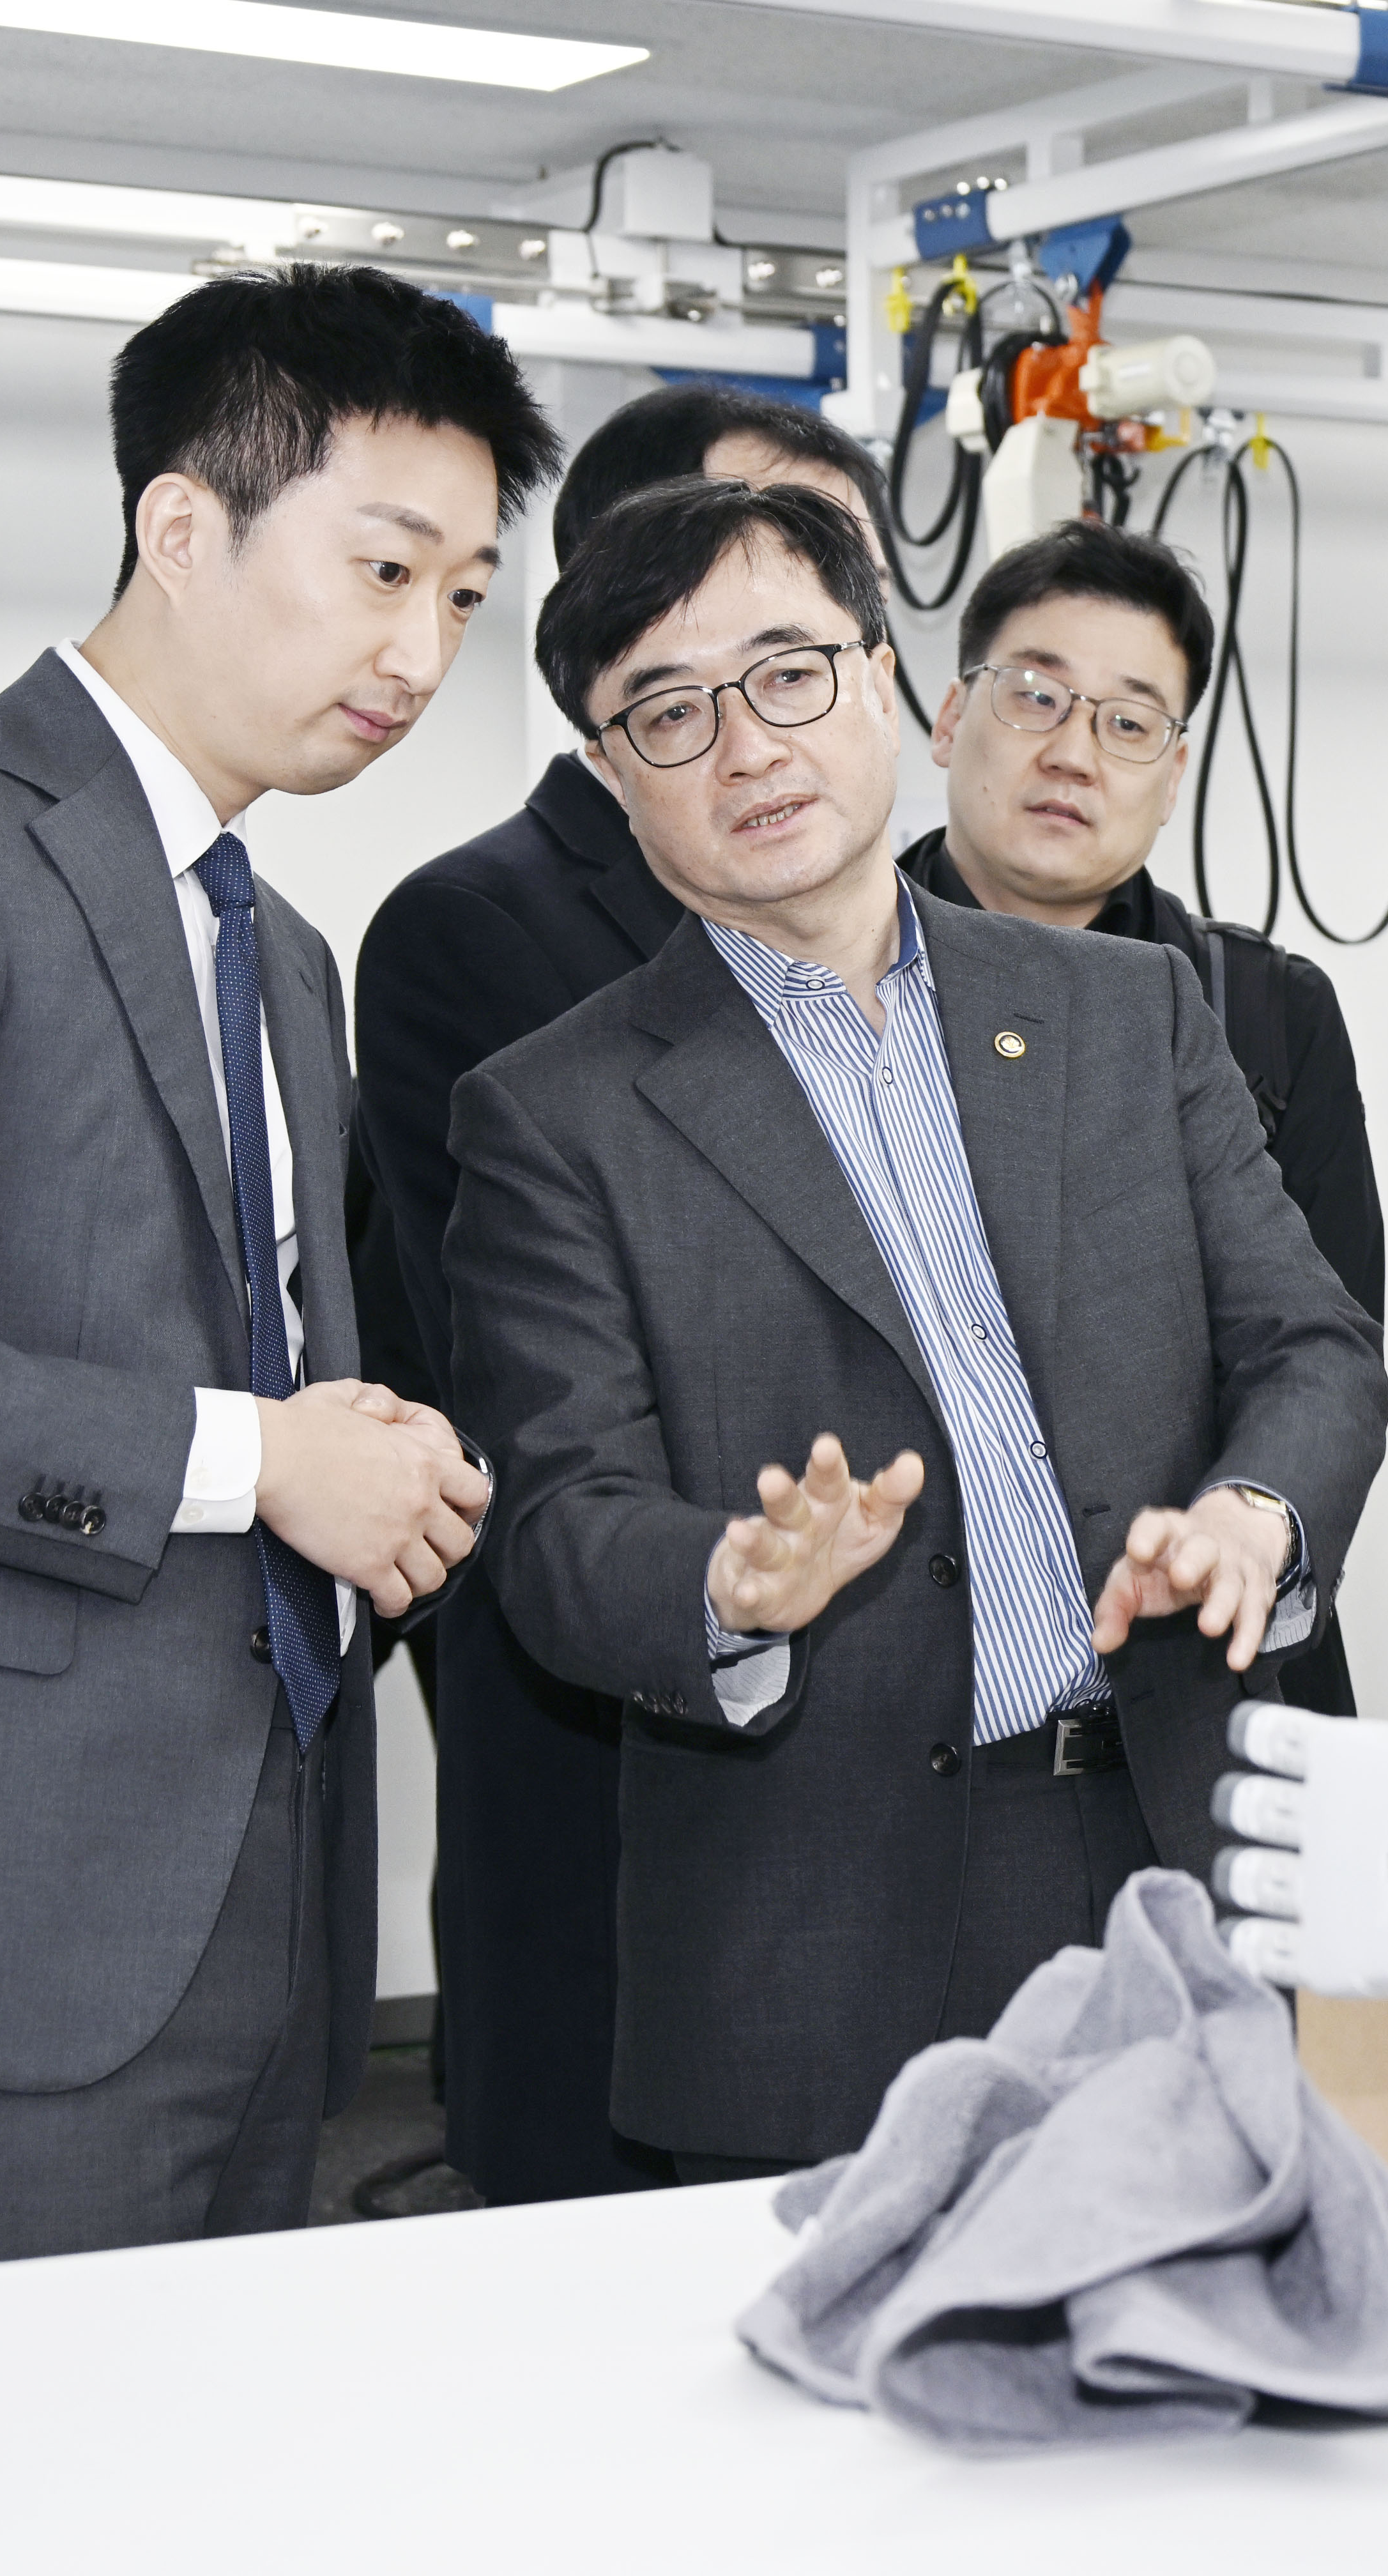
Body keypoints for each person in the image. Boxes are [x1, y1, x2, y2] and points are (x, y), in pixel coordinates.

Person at [0, 263, 536, 2276]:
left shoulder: (282, 953)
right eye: (384, 569)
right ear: (181, 524)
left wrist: (369, 1462)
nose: (421, 650)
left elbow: (242, 1353)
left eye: (465, 597)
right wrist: (262, 1460)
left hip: (265, 1908)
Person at [440, 477, 1381, 2175]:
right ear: (612, 774)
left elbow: (1311, 1348)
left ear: (883, 684)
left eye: (789, 673)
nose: (749, 747)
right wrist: (727, 1584)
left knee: (1195, 2331)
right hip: (825, 1917)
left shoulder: (1129, 1011)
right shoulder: (555, 1113)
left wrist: (1254, 1513)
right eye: (670, 712)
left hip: (1166, 1853)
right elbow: (558, 1526)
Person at [350, 383, 884, 2207]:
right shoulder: (480, 929)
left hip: (895, 1790)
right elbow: (568, 1385)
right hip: (622, 1743)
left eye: (827, 592)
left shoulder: (931, 943)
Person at [895, 518, 1384, 1708]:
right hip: (911, 1673)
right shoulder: (817, 993)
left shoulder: (1264, 1013)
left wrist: (1245, 1518)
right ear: (950, 718)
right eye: (1035, 697)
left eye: (1128, 723)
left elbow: (1328, 1352)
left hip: (1200, 1660)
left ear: (1173, 777)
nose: (1074, 754)